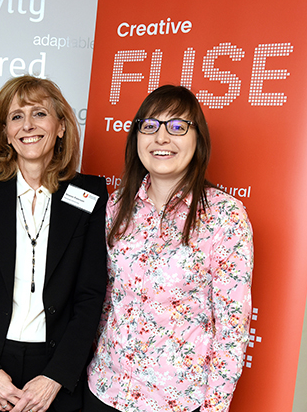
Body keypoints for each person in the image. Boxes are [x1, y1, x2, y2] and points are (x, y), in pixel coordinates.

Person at [0, 76, 108, 412]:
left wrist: (56, 376)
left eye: (39, 114)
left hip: (51, 373)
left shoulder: (89, 194)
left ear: (60, 127)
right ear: (5, 133)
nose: (28, 125)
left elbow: (90, 296)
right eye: (16, 117)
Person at [84, 85, 254, 412]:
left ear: (198, 139)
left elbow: (231, 328)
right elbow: (106, 297)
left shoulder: (224, 216)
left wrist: (214, 408)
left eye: (177, 126)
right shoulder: (117, 205)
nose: (162, 138)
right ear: (137, 139)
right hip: (106, 390)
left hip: (176, 401)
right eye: (149, 126)